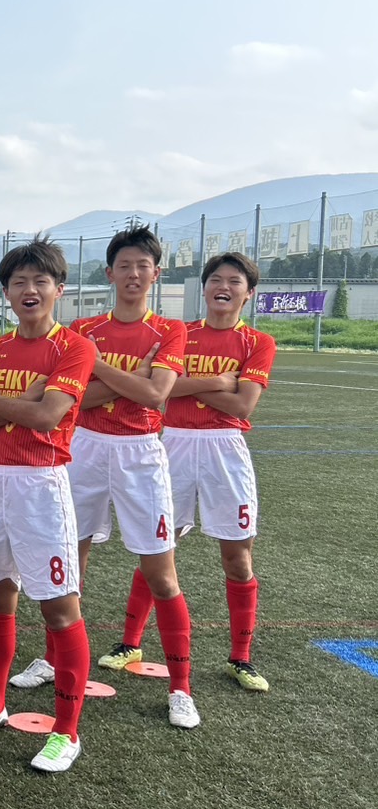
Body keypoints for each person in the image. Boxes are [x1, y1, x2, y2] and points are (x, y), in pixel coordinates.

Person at [62, 226, 198, 729]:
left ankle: (181, 687)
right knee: (70, 562)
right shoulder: (83, 329)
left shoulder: (169, 330)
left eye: (143, 266)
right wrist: (133, 378)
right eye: (125, 265)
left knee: (162, 574)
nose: (134, 274)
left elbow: (157, 396)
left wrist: (101, 369)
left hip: (141, 452)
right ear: (109, 272)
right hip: (85, 447)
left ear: (156, 273)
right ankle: (57, 662)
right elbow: (75, 400)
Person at [0, 239, 97, 773]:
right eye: (19, 282)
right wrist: (23, 401)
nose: (29, 290)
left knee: (58, 605)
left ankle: (66, 731)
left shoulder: (74, 348)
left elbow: (49, 418)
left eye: (40, 281)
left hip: (42, 485)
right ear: (5, 291)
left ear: (58, 289)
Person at [158, 253, 276, 692]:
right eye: (215, 279)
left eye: (234, 281)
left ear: (249, 293)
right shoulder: (179, 334)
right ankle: (129, 643)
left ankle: (240, 657)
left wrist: (187, 386)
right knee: (158, 546)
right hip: (173, 442)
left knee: (237, 557)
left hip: (225, 448)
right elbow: (161, 392)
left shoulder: (258, 342)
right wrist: (219, 382)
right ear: (205, 287)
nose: (223, 286)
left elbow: (243, 405)